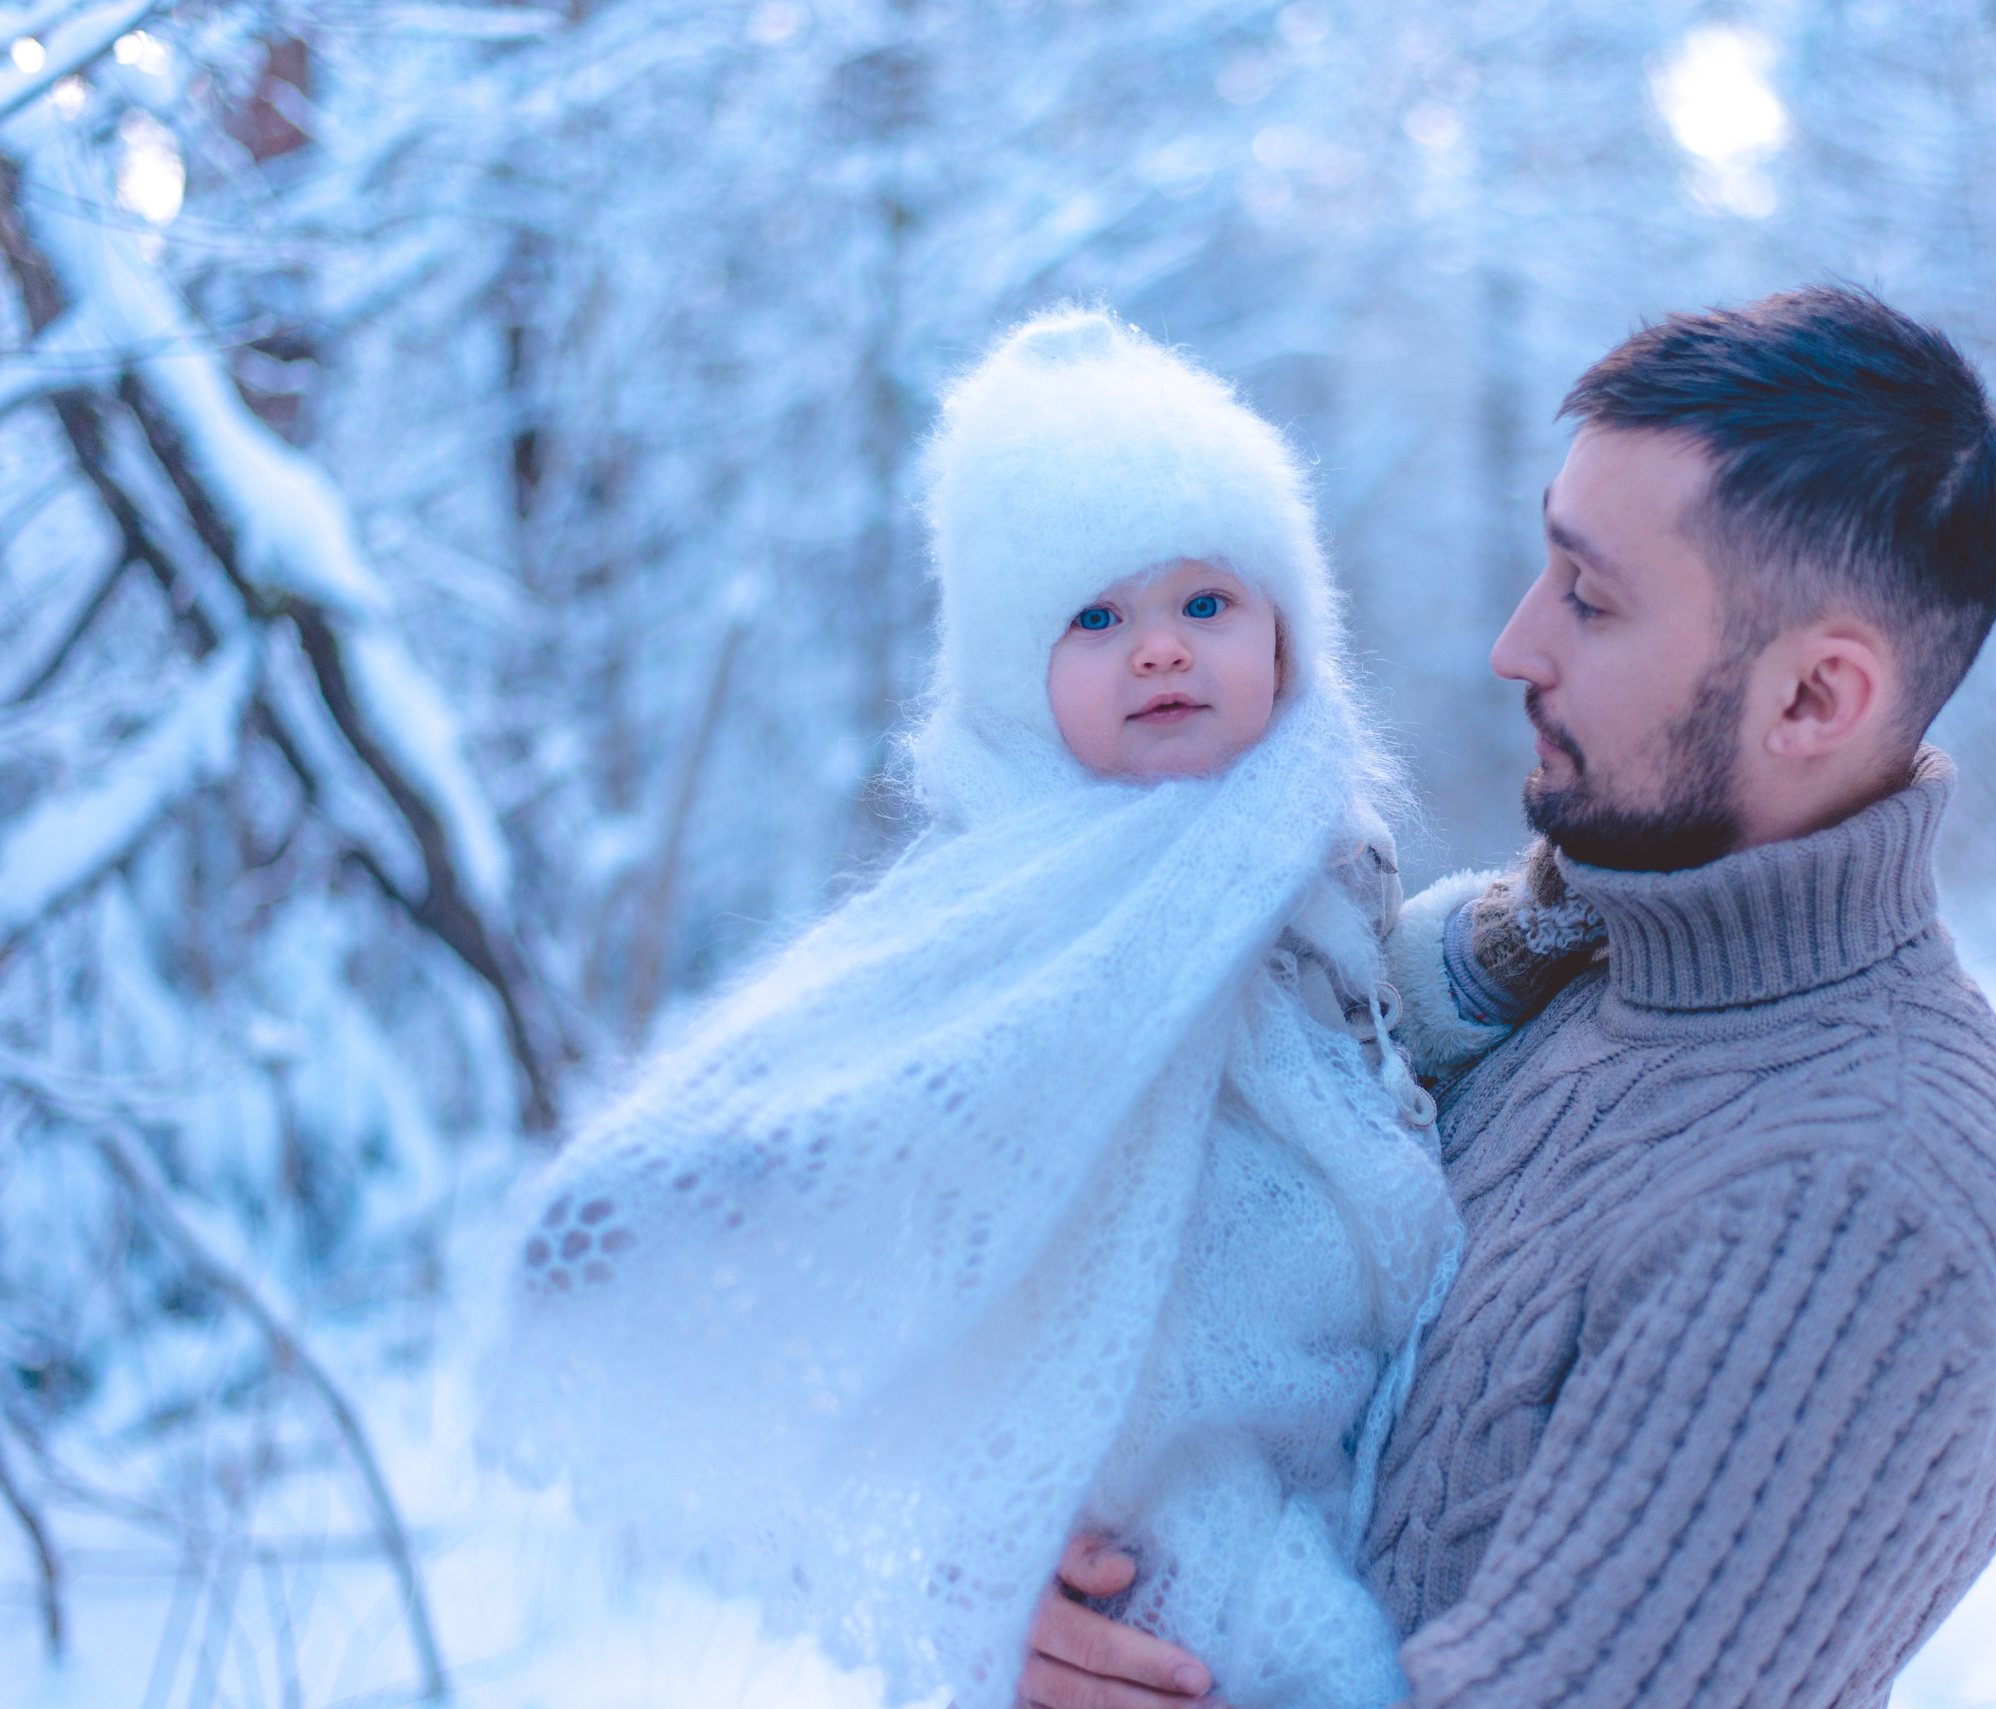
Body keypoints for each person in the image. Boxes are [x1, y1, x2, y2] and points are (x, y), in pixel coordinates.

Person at [1020, 286, 1996, 1709]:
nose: (1517, 643)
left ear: (1816, 701)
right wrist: (1053, 1602)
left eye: (1590, 594)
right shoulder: (1563, 963)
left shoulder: (1865, 1199)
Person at [479, 309, 1462, 1709]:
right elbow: (720, 1171)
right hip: (1142, 1522)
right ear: (1012, 668)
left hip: (1332, 1455)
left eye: (1206, 603)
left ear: (1291, 633)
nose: (1161, 651)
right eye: (1096, 618)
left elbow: (1399, 1033)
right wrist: (964, 1538)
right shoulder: (986, 919)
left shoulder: (1328, 870)